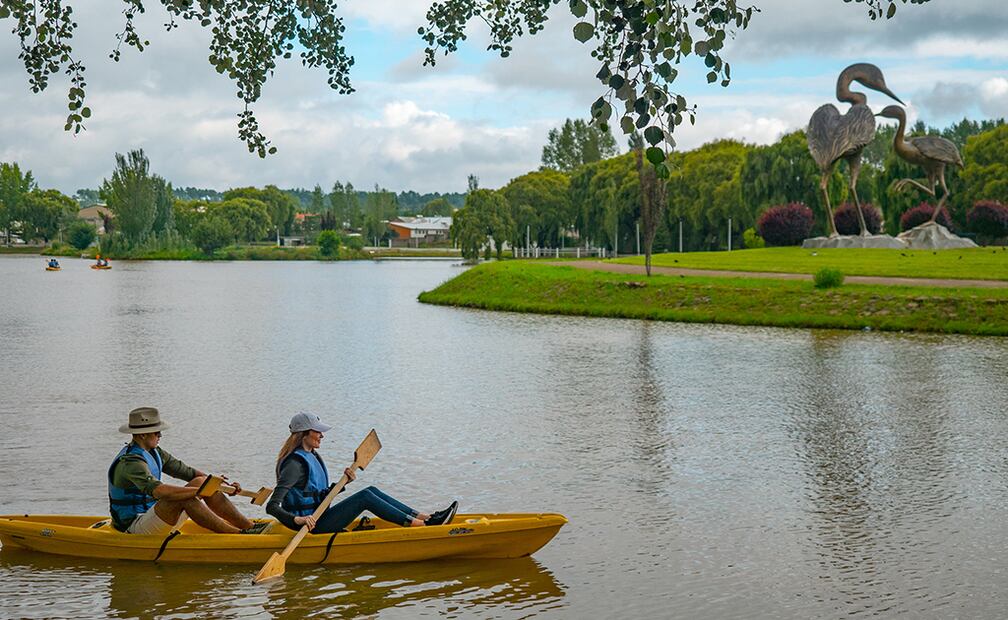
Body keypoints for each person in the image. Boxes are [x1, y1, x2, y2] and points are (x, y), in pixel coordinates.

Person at [266, 412, 458, 534]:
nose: (322, 435)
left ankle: (427, 518)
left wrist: (342, 484)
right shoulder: (294, 464)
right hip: (308, 528)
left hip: (320, 517)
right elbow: (272, 506)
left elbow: (317, 496)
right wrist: (298, 520)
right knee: (365, 497)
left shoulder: (311, 456)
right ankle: (422, 527)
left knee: (371, 490)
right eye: (317, 431)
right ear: (304, 433)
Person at [109, 406, 269, 535]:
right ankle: (237, 534)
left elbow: (188, 473)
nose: (160, 435)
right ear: (143, 435)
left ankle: (249, 527)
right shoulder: (131, 462)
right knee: (184, 497)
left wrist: (220, 485)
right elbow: (159, 491)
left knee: (201, 481)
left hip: (152, 516)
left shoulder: (155, 452)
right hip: (132, 526)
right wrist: (201, 491)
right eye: (157, 432)